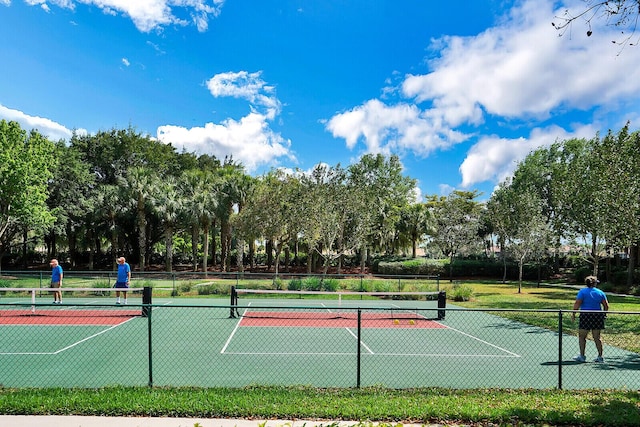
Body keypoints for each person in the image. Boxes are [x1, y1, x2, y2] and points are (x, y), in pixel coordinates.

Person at [572, 275, 609, 363]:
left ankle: (582, 355)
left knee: (582, 336)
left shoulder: (582, 292)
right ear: (595, 283)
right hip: (597, 316)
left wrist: (573, 314)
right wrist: (604, 314)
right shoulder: (600, 292)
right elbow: (606, 306)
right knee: (597, 337)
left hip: (585, 316)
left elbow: (577, 303)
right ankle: (600, 356)